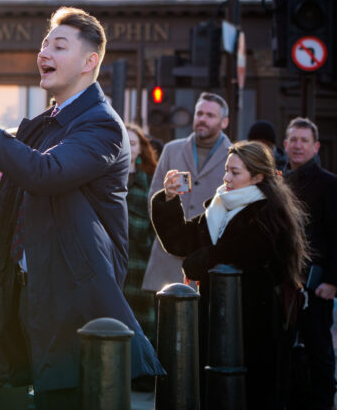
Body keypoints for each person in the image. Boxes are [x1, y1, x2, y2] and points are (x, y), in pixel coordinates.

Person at [0, 7, 163, 407]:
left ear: (90, 62)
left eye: (58, 45)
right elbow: (7, 206)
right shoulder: (44, 124)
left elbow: (44, 173)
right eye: (45, 42)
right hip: (28, 295)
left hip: (77, 303)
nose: (44, 51)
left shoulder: (101, 125)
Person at [151, 141, 309, 410]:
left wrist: (195, 263)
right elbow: (182, 241)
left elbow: (234, 253)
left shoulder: (268, 212)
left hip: (253, 321)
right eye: (226, 170)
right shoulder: (221, 205)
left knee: (248, 393)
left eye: (235, 173)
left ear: (257, 176)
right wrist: (168, 199)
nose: (226, 178)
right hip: (215, 313)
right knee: (213, 388)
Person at [142, 93, 233, 293]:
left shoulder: (234, 157)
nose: (202, 118)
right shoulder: (171, 150)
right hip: (166, 261)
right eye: (199, 113)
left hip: (208, 264)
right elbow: (153, 198)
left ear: (224, 122)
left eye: (210, 115)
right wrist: (168, 197)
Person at [283, 117, 337, 410]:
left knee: (319, 354)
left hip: (316, 287)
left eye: (304, 140)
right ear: (285, 144)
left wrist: (332, 280)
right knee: (288, 354)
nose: (298, 145)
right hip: (284, 285)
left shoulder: (329, 184)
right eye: (293, 139)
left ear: (316, 146)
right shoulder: (279, 182)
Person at [122, 124, 159, 350]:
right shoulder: (103, 177)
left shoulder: (149, 181)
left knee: (141, 319)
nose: (128, 146)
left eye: (133, 143)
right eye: (123, 141)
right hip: (111, 261)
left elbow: (154, 225)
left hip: (140, 262)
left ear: (140, 150)